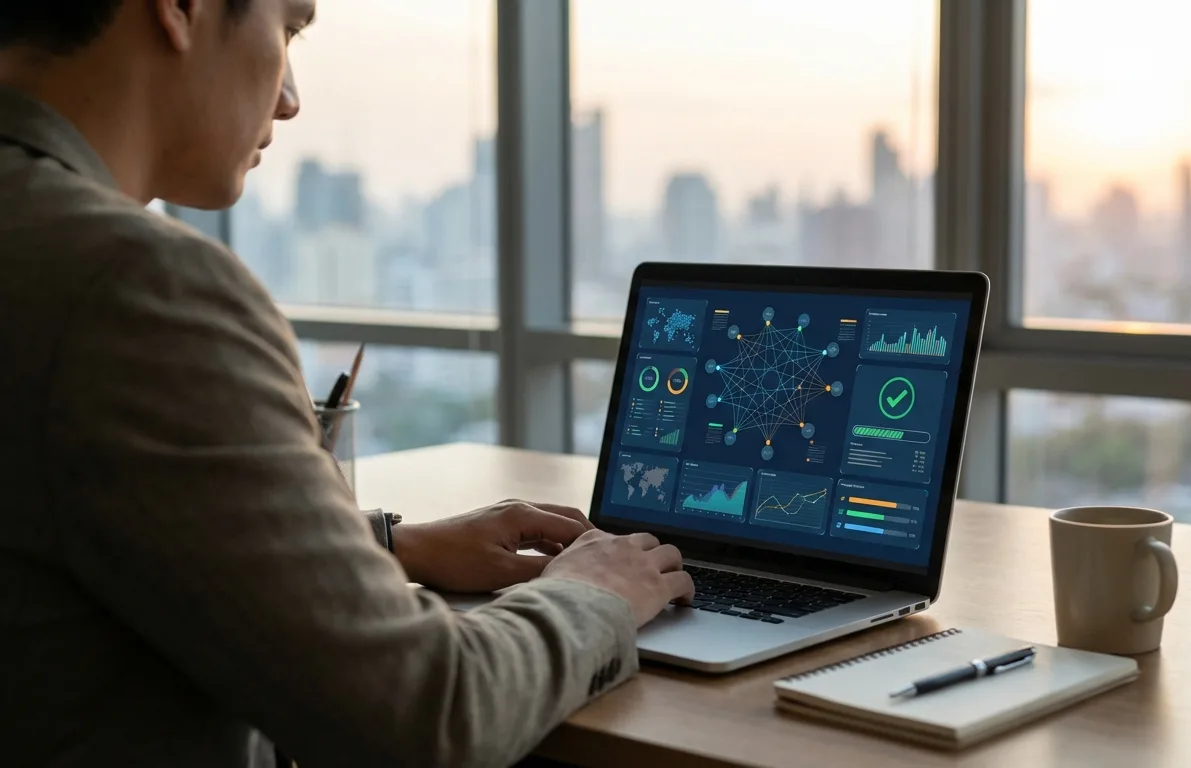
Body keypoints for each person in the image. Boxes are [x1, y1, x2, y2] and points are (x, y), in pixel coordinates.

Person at [0, 0, 693, 766]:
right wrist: (594, 592)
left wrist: (388, 545)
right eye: (289, 28)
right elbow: (424, 716)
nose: (291, 97)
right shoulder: (132, 287)